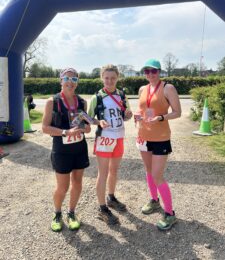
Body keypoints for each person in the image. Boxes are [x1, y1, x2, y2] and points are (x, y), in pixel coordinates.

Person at [42, 68, 91, 232]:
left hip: (79, 148)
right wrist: (65, 132)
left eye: (74, 79)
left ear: (77, 82)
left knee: (77, 183)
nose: (70, 82)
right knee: (62, 187)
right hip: (61, 150)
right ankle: (57, 213)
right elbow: (44, 127)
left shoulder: (82, 102)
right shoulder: (52, 102)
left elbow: (88, 127)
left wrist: (85, 128)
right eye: (67, 78)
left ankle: (71, 213)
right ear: (60, 80)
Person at [136, 59, 181, 231]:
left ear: (159, 72)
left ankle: (170, 213)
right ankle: (154, 201)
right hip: (143, 136)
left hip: (161, 137)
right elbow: (143, 110)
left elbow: (177, 112)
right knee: (148, 171)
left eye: (153, 71)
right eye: (146, 71)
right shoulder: (142, 89)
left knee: (157, 175)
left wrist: (161, 117)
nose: (150, 74)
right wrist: (138, 116)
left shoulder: (167, 88)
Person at [88, 64, 132, 225]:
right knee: (103, 173)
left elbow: (126, 115)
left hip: (119, 136)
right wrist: (98, 121)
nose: (109, 81)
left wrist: (128, 115)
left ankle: (111, 197)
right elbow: (89, 117)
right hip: (104, 138)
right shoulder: (97, 97)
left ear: (117, 78)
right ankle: (102, 209)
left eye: (113, 78)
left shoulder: (122, 95)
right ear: (102, 78)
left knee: (114, 170)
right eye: (106, 78)